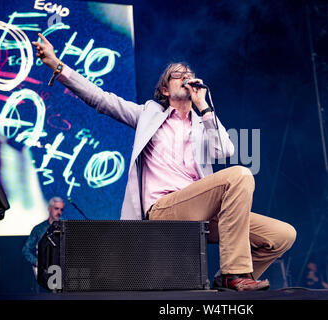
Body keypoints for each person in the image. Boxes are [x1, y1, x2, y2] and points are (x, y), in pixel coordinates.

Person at [32, 33, 296, 291]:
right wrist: (57, 65)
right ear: (164, 89)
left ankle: (223, 279)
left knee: (282, 235)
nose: (185, 77)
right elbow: (102, 99)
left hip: (200, 213)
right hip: (163, 210)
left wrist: (204, 106)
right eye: (177, 75)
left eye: (188, 74)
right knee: (239, 175)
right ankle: (234, 273)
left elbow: (225, 151)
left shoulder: (203, 123)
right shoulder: (148, 114)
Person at [22, 197, 64, 275]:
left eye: (61, 210)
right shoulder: (39, 229)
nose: (59, 212)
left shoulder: (65, 228)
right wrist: (37, 262)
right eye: (56, 208)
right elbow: (26, 249)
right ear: (49, 209)